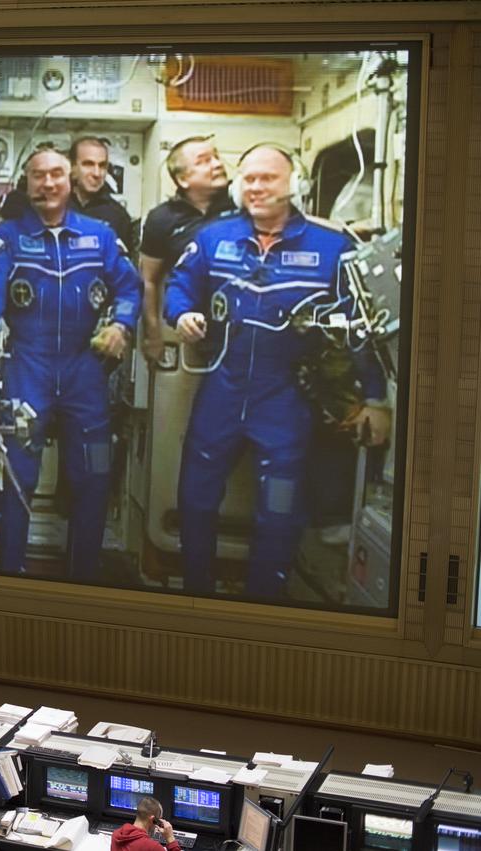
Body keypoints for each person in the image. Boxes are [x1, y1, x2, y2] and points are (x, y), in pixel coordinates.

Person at [165, 143, 390, 599]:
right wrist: (181, 314)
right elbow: (178, 288)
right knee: (194, 501)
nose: (256, 187)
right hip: (222, 393)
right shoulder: (213, 238)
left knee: (279, 513)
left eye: (268, 177)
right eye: (248, 178)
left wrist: (376, 400)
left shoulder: (333, 249)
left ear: (295, 185)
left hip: (285, 401)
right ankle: (194, 600)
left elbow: (360, 331)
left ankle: (265, 609)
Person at [0, 145, 141, 577]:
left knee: (94, 477)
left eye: (57, 174)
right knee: (14, 479)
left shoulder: (99, 236)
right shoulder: (5, 237)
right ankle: (12, 574)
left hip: (85, 371)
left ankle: (81, 576)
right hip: (27, 367)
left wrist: (121, 326)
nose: (47, 184)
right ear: (26, 183)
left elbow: (131, 289)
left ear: (71, 180)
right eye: (38, 176)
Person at [137, 135, 234, 361]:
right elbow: (148, 280)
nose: (218, 164)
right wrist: (153, 335)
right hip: (193, 329)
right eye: (204, 161)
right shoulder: (162, 219)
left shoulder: (242, 205)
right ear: (183, 179)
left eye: (217, 157)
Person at [68, 136, 135, 256]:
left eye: (102, 165)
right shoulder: (55, 206)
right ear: (72, 167)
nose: (96, 173)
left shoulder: (118, 215)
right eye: (88, 164)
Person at [110, 796, 181, 851]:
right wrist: (170, 838)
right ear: (153, 819)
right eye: (158, 820)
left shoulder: (116, 835)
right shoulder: (152, 847)